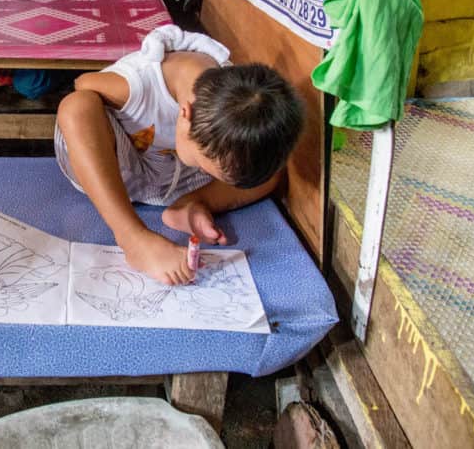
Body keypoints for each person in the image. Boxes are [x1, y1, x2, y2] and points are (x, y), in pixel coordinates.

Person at [55, 25, 304, 286]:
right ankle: (132, 238)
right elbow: (82, 83)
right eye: (206, 167)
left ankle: (190, 203)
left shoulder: (229, 101)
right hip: (115, 171)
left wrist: (206, 190)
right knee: (77, 107)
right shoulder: (137, 83)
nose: (208, 172)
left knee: (269, 173)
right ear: (185, 115)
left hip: (173, 177)